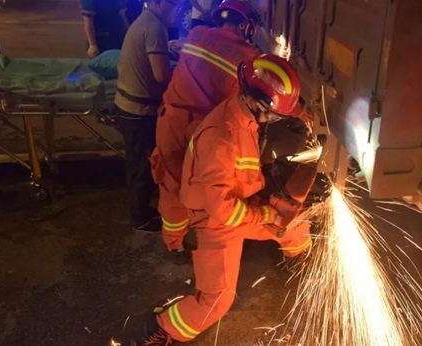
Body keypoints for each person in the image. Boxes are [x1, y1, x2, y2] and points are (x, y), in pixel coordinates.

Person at [113, 55, 312, 345]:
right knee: (217, 300)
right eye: (274, 114)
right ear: (257, 103)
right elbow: (224, 212)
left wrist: (270, 211)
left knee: (293, 222)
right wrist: (264, 215)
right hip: (214, 218)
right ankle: (154, 331)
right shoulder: (221, 137)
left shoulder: (241, 111)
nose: (273, 121)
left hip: (235, 202)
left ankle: (305, 268)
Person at [150, 0, 261, 264]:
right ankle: (209, 240)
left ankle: (174, 245)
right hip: (204, 133)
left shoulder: (196, 34)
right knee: (208, 188)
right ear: (247, 27)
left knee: (171, 185)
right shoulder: (250, 58)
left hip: (171, 123)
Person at [115, 0, 184, 233]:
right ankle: (140, 218)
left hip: (130, 105)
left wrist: (169, 50)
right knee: (143, 166)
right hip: (139, 111)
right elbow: (162, 77)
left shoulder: (145, 20)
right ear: (157, 2)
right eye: (174, 4)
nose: (177, 10)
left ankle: (141, 210)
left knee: (138, 164)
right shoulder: (155, 27)